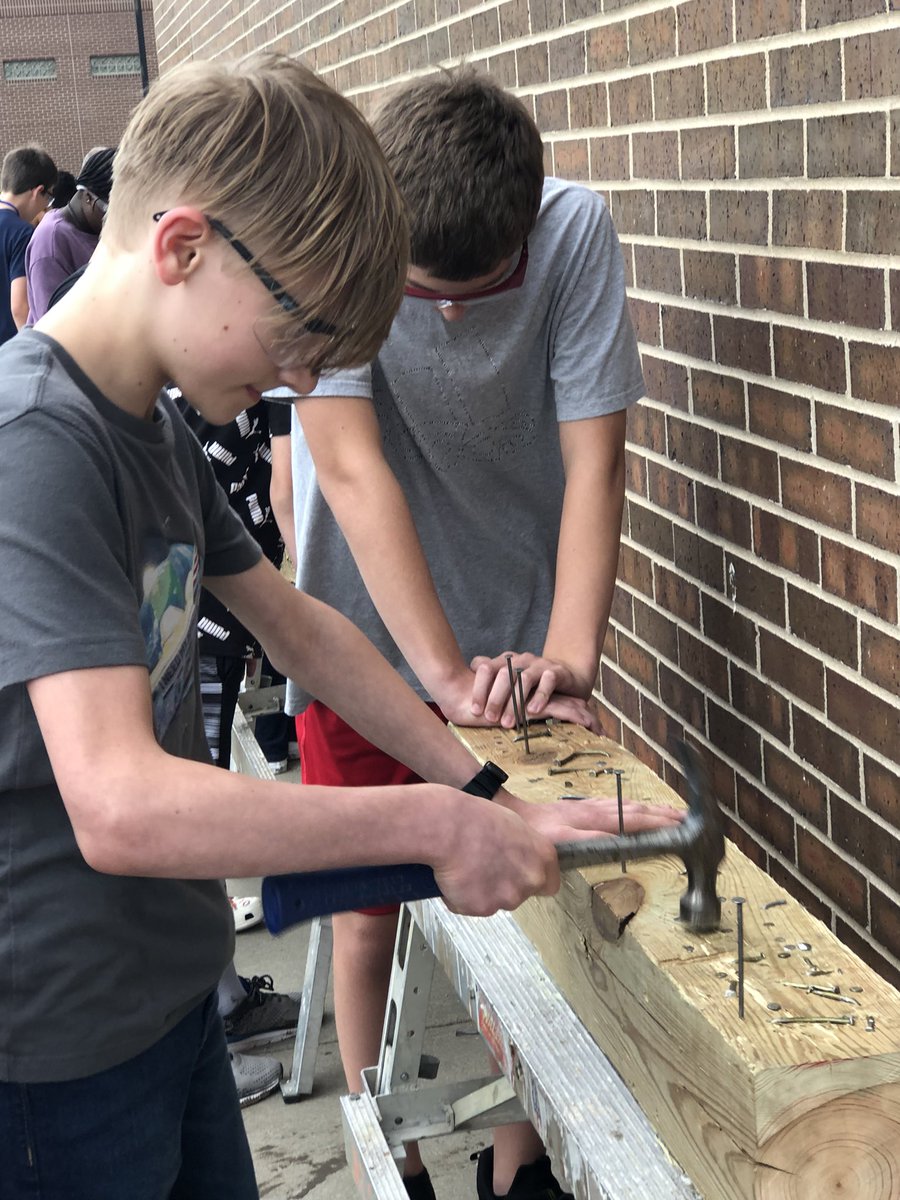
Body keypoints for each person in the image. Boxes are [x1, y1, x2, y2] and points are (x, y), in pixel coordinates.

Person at [0, 55, 676, 1200]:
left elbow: (301, 628)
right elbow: (117, 803)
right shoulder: (37, 444)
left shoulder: (146, 430)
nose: (306, 376)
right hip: (52, 1052)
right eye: (298, 332)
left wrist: (486, 793)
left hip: (162, 1000)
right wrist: (427, 826)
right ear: (183, 248)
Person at [280, 69, 649, 1200]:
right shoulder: (347, 236)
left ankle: (514, 1162)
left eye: (475, 294)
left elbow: (598, 459)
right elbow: (346, 464)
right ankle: (384, 1151)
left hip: (510, 644)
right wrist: (430, 673)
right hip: (358, 638)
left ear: (523, 240)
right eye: (419, 292)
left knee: (517, 911)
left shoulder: (573, 232)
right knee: (366, 910)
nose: (442, 316)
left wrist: (570, 655)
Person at [25, 146, 115, 323]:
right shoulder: (50, 242)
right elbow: (53, 324)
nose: (119, 219)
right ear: (88, 197)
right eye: (111, 210)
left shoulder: (100, 230)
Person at [0, 145, 57, 344]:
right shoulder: (21, 233)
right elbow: (20, 307)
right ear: (38, 191)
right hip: (7, 351)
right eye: (49, 197)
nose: (45, 206)